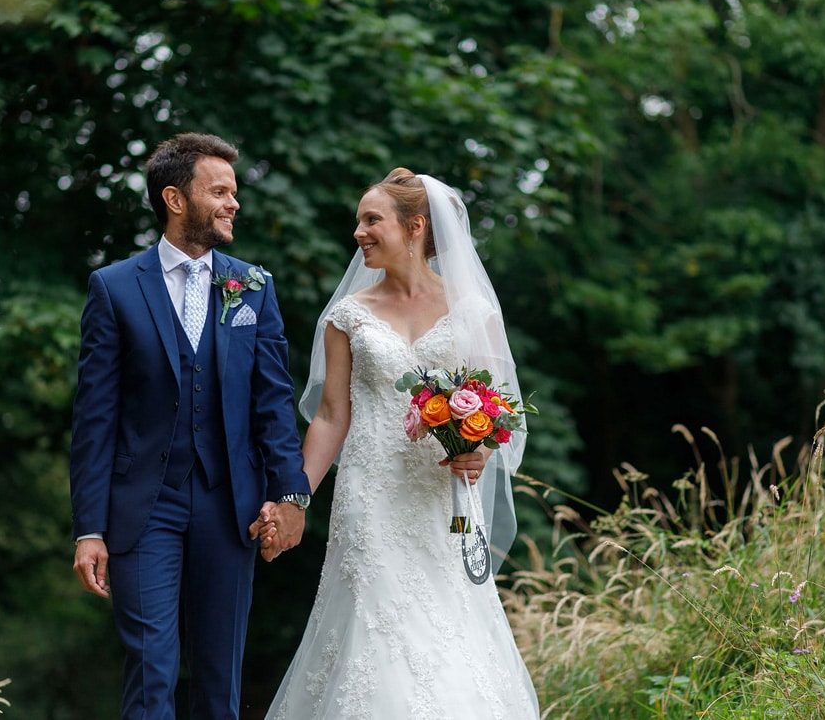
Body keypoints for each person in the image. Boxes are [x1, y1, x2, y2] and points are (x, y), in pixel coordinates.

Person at [252, 168, 541, 718]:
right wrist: (294, 496)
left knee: (450, 629)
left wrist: (478, 447)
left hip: (443, 500)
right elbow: (333, 417)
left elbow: (500, 410)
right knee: (374, 629)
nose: (358, 233)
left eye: (371, 220)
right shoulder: (347, 317)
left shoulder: (475, 310)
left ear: (415, 227)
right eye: (358, 220)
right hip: (370, 496)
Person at [69, 132, 312, 720]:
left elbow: (273, 403)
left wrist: (290, 494)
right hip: (142, 508)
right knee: (152, 672)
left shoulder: (253, 285)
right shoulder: (114, 287)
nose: (234, 204)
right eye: (220, 191)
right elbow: (95, 420)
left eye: (235, 192)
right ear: (175, 199)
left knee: (218, 680)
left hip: (231, 506)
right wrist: (89, 529)